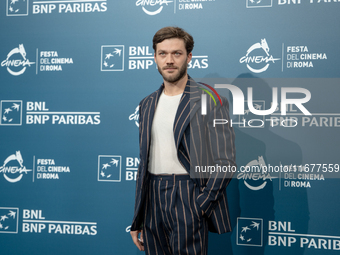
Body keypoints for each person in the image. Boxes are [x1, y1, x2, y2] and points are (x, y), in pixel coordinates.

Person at [130, 26, 236, 255]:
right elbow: (143, 163)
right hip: (152, 199)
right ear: (155, 58)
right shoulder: (146, 104)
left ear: (189, 57)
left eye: (176, 53)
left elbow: (225, 162)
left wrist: (201, 204)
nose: (169, 60)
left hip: (188, 195)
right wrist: (138, 217)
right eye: (163, 54)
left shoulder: (210, 99)